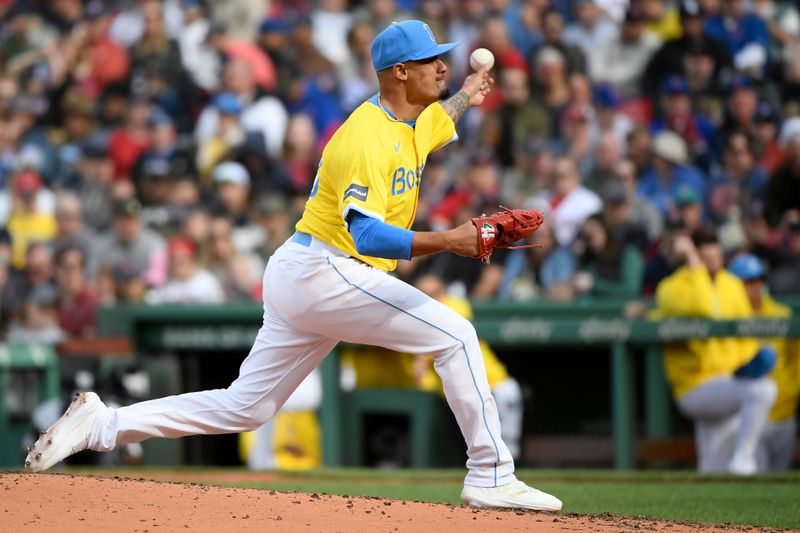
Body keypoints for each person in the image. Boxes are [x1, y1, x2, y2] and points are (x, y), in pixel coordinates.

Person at [25, 20, 561, 512]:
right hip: (329, 269)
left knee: (245, 408)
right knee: (457, 337)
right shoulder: (363, 136)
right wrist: (449, 240)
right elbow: (367, 232)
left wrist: (467, 94)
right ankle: (491, 473)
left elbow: (438, 124)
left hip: (305, 272)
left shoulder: (411, 122)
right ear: (400, 71)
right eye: (431, 60)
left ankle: (102, 424)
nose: (444, 65)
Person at [655, 230, 777, 474]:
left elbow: (745, 333)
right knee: (764, 390)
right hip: (695, 386)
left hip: (728, 382)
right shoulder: (671, 287)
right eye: (706, 257)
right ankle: (743, 461)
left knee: (711, 468)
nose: (713, 263)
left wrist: (747, 367)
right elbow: (706, 307)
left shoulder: (732, 284)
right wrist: (693, 261)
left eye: (717, 257)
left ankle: (737, 468)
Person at [728, 254, 799, 472]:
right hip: (748, 416)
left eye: (757, 280)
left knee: (778, 489)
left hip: (785, 414)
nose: (754, 286)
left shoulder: (780, 314)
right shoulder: (728, 316)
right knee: (752, 478)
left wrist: (792, 392)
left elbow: (796, 361)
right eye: (747, 282)